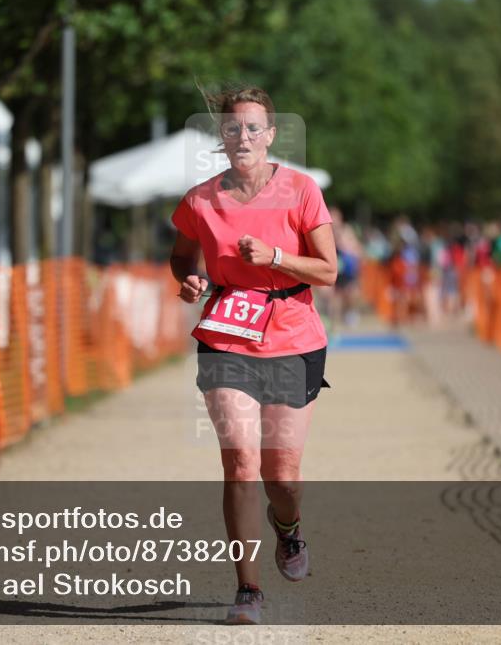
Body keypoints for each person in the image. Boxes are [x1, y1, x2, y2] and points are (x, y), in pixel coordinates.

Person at [169, 86, 337, 625]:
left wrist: (278, 257)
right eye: (233, 128)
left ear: (270, 135)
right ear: (222, 137)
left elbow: (330, 271)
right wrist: (191, 278)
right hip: (225, 337)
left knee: (281, 475)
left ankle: (287, 530)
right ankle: (248, 590)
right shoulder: (200, 200)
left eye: (253, 128)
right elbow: (179, 257)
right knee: (240, 460)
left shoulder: (301, 190)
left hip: (293, 338)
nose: (243, 137)